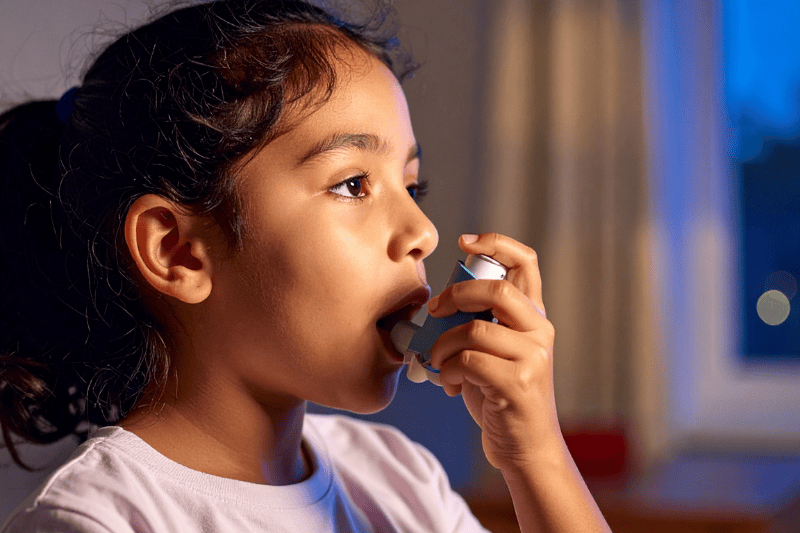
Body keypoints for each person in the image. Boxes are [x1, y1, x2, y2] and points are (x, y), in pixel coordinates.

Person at [0, 1, 611, 531]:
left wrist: (536, 457)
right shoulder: (97, 521)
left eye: (412, 187)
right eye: (352, 184)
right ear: (177, 252)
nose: (424, 233)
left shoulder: (398, 480)